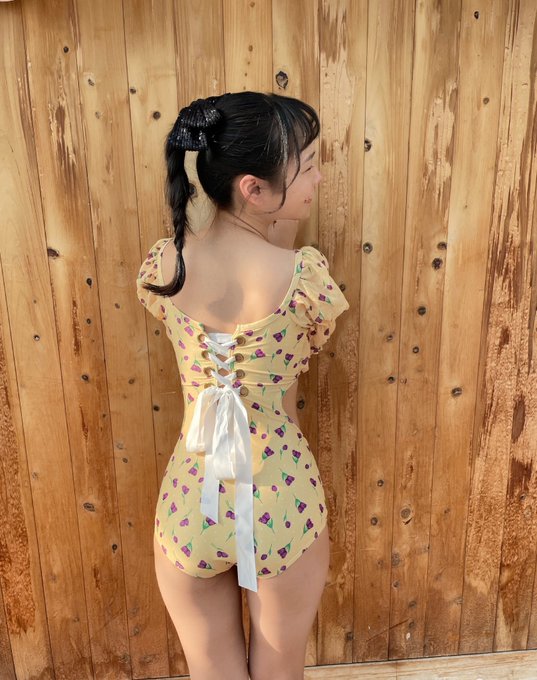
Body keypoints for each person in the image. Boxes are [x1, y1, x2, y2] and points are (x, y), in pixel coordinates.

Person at [136, 91, 350, 680]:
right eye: (308, 166)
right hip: (280, 493)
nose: (319, 177)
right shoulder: (302, 278)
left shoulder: (166, 266)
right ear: (254, 188)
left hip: (191, 499)